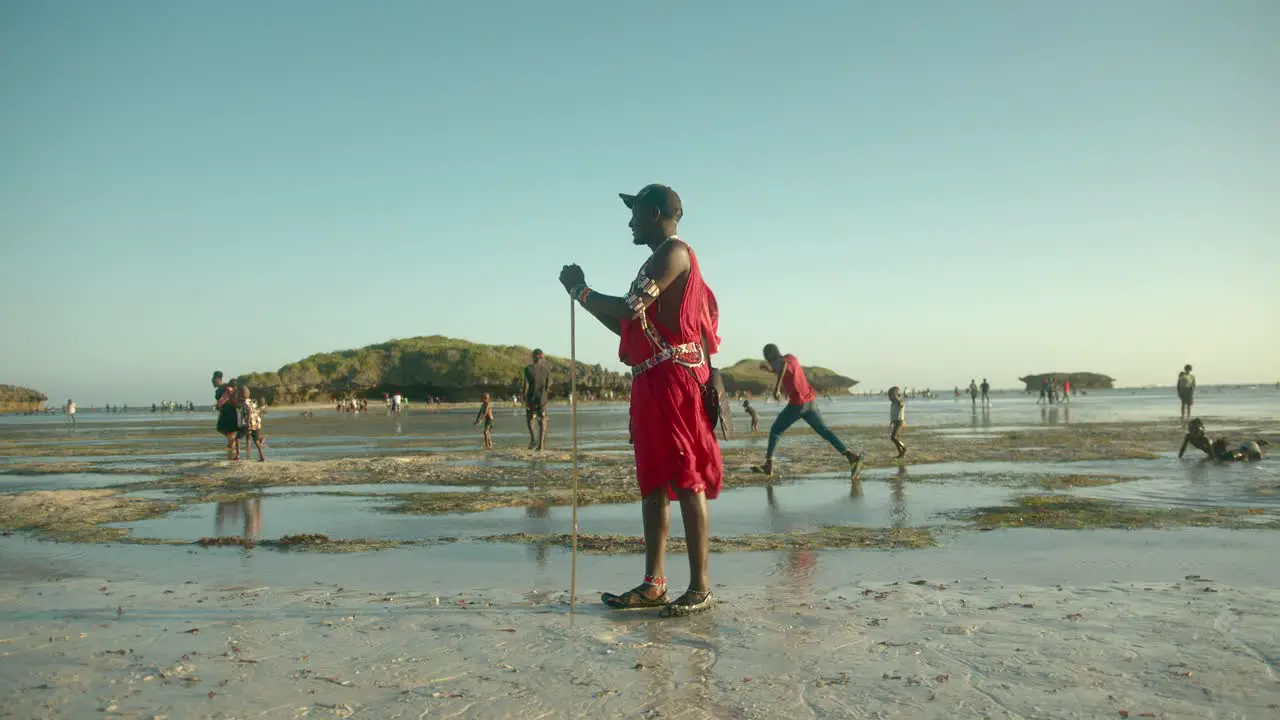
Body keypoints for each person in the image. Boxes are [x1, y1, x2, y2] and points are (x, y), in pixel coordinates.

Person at [558, 183, 721, 617]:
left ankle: (701, 587)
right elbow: (629, 328)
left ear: (653, 212)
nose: (629, 222)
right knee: (653, 484)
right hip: (652, 381)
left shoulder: (674, 253)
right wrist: (584, 296)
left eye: (633, 213)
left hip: (676, 382)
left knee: (686, 481)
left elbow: (630, 308)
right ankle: (655, 584)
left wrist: (581, 291)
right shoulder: (657, 259)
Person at [752, 344, 863, 479]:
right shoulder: (791, 357)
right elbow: (784, 369)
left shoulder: (783, 362)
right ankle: (851, 456)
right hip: (810, 403)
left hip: (797, 405)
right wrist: (770, 370)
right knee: (825, 432)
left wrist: (777, 389)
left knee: (775, 431)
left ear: (769, 355)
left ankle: (768, 465)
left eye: (766, 356)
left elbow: (783, 367)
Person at [522, 349, 552, 451]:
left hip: (531, 397)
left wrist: (523, 396)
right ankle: (541, 444)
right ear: (542, 357)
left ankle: (533, 439)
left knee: (530, 418)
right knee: (542, 420)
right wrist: (545, 391)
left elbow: (525, 384)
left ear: (534, 356)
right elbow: (549, 384)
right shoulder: (546, 369)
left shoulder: (528, 369)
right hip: (542, 398)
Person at [236, 387, 266, 462]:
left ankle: (238, 455)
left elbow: (249, 412)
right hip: (256, 425)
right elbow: (257, 412)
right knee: (256, 441)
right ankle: (262, 457)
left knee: (237, 438)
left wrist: (248, 422)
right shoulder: (253, 402)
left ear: (241, 396)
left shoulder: (245, 403)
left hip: (248, 424)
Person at [213, 372, 239, 459]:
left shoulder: (225, 388)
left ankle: (231, 446)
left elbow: (224, 399)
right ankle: (232, 444)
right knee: (226, 430)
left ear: (218, 379)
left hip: (228, 412)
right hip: (228, 411)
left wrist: (218, 406)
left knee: (227, 430)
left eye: (214, 380)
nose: (213, 382)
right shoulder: (224, 388)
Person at [889, 386, 907, 458]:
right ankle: (901, 453)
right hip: (895, 422)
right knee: (897, 438)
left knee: (893, 437)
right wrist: (891, 423)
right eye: (889, 396)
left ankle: (904, 448)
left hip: (900, 422)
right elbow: (892, 413)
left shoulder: (900, 401)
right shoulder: (892, 404)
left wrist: (897, 399)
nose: (889, 397)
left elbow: (901, 404)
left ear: (897, 395)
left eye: (891, 395)